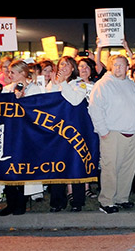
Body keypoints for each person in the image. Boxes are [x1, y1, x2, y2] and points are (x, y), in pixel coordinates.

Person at [88, 55, 135, 214]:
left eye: (122, 65)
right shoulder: (103, 85)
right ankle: (107, 201)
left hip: (134, 132)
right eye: (115, 65)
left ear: (127, 67)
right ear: (111, 67)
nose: (119, 68)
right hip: (113, 133)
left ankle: (121, 198)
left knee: (128, 168)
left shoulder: (131, 85)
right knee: (110, 168)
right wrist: (103, 131)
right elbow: (95, 108)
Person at [0, 60, 45, 216]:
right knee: (8, 166)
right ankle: (11, 202)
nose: (10, 75)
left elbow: (36, 110)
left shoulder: (34, 89)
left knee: (24, 167)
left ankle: (21, 202)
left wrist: (21, 98)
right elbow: (1, 110)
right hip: (10, 133)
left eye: (13, 72)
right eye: (9, 72)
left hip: (26, 134)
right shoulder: (6, 90)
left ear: (23, 73)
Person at [45, 56, 89, 212]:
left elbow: (75, 100)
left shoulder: (79, 83)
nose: (63, 66)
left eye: (67, 64)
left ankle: (77, 201)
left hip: (74, 132)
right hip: (56, 132)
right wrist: (56, 83)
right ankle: (57, 202)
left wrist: (63, 83)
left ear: (73, 69)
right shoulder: (52, 84)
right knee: (57, 166)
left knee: (75, 165)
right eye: (61, 64)